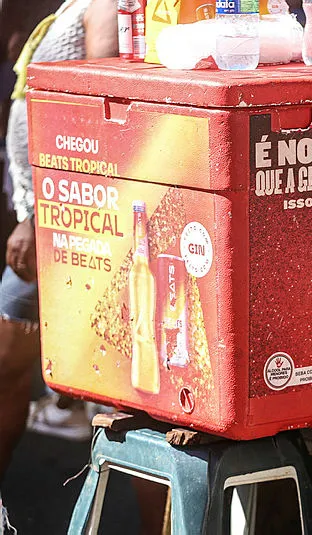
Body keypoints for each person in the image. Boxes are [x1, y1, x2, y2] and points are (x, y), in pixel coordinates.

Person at [0, 0, 117, 530]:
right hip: (45, 216)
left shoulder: (105, 5)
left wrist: (43, 216)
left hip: (66, 222)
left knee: (121, 412)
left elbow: (99, 110)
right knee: (7, 366)